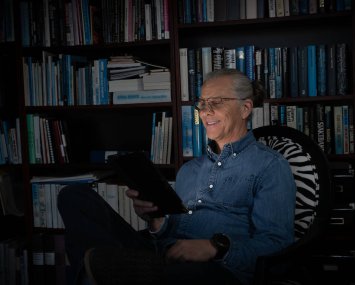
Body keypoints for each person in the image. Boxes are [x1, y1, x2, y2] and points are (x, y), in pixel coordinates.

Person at [58, 68, 296, 285]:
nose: (206, 112)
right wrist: (156, 221)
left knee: (181, 274)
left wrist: (215, 248)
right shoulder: (189, 170)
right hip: (161, 258)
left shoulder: (270, 166)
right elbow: (168, 235)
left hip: (217, 271)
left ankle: (110, 270)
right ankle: (117, 269)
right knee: (74, 197)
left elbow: (276, 244)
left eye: (217, 102)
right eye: (202, 103)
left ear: (245, 108)